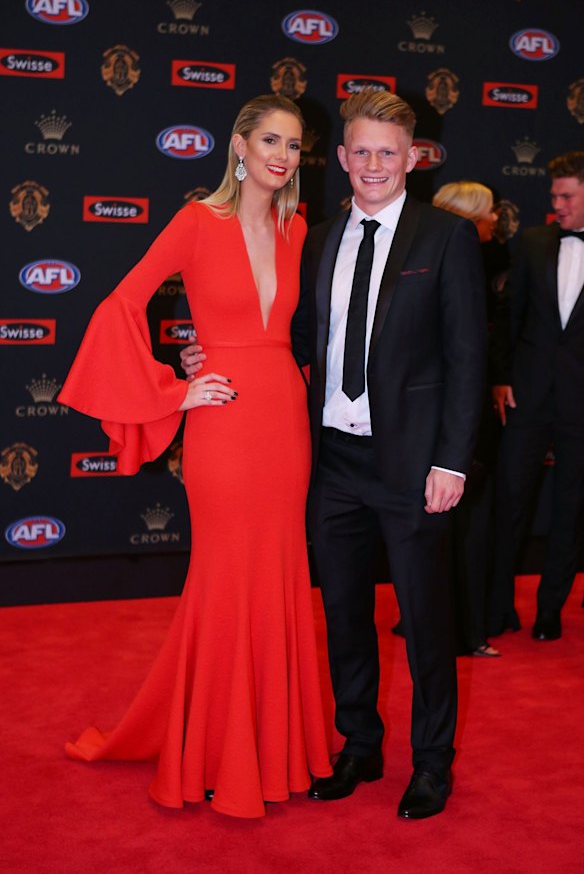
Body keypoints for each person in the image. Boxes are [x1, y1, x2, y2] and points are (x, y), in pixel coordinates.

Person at [185, 90, 485, 817]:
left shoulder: (445, 238)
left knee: (423, 622)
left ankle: (432, 764)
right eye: (361, 151)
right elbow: (286, 344)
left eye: (390, 152)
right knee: (345, 617)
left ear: (412, 157)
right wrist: (208, 353)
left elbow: (469, 357)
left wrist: (452, 462)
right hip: (330, 465)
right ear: (343, 156)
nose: (374, 164)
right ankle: (359, 746)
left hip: (413, 465)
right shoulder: (314, 236)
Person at [58, 94, 332, 819]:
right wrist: (174, 389)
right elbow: (119, 307)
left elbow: (297, 331)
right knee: (224, 577)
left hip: (285, 418)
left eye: (295, 145)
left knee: (278, 574)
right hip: (225, 421)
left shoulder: (298, 226)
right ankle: (217, 750)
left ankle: (276, 748)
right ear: (238, 145)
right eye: (269, 139)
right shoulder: (194, 221)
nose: (282, 155)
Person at [489, 150, 584, 642]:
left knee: (570, 509)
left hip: (580, 405)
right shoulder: (531, 243)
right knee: (509, 502)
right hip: (526, 394)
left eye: (566, 196)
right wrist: (501, 378)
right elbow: (508, 315)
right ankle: (498, 606)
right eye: (553, 196)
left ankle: (550, 610)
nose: (556, 205)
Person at [431, 182, 501, 658]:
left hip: (454, 407)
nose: (496, 220)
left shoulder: (488, 256)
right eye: (489, 212)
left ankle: (454, 627)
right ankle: (461, 631)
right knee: (460, 527)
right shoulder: (470, 258)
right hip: (456, 410)